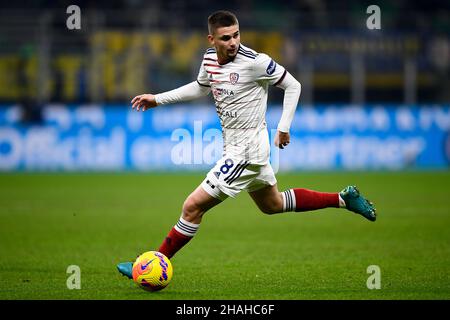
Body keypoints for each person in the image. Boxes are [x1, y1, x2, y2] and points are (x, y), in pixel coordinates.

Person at [117, 10, 376, 279]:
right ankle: (344, 199)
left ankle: (147, 267)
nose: (233, 42)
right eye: (226, 37)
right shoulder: (209, 60)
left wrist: (284, 128)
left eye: (236, 35)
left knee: (192, 207)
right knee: (272, 204)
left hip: (248, 151)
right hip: (235, 146)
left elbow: (293, 85)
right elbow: (199, 87)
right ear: (211, 40)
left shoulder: (256, 62)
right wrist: (157, 99)